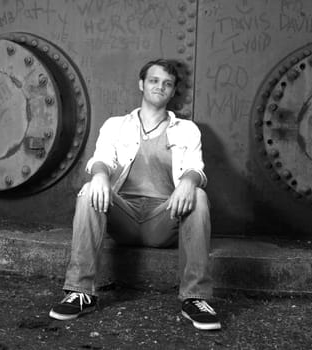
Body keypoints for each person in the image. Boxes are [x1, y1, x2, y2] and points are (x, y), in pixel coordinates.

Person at [48, 59, 221, 331]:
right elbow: (101, 158)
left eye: (167, 83)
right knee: (90, 188)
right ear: (141, 84)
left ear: (173, 90)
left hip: (164, 218)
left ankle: (195, 298)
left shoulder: (187, 130)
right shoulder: (116, 125)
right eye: (153, 80)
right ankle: (80, 291)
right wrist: (101, 175)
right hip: (124, 216)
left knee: (197, 195)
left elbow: (195, 167)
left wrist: (189, 181)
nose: (160, 87)